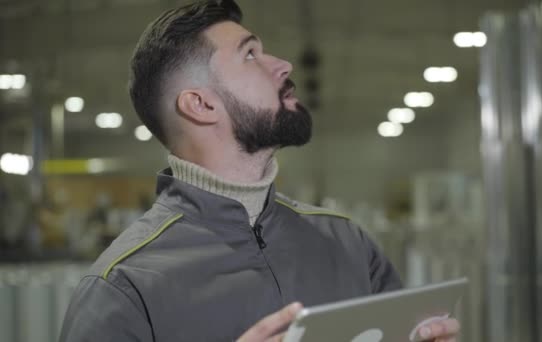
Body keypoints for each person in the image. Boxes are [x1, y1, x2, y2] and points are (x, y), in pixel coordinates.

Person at [59, 1, 461, 341]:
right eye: (250, 55)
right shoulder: (124, 288)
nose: (283, 65)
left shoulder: (347, 243)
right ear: (200, 104)